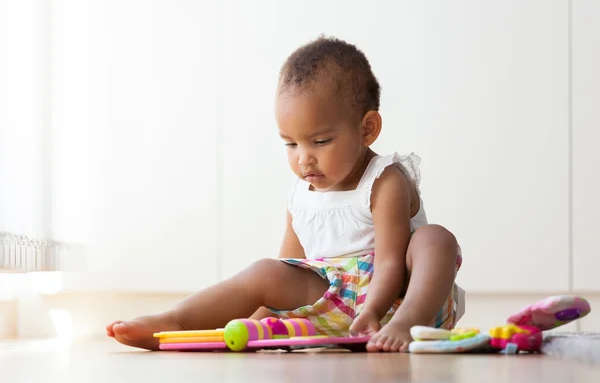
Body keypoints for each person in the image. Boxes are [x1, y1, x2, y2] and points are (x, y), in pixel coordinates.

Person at [106, 36, 465, 352]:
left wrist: (374, 310)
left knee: (435, 240)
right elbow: (287, 266)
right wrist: (260, 323)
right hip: (332, 303)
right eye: (290, 144)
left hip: (398, 299)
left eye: (321, 141)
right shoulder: (301, 194)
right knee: (263, 270)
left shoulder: (384, 181)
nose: (304, 157)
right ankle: (178, 320)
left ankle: (407, 325)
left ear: (367, 129)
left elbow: (389, 262)